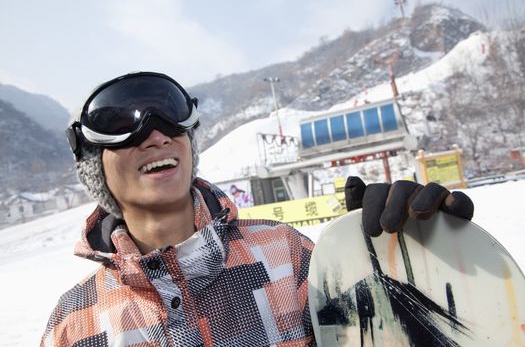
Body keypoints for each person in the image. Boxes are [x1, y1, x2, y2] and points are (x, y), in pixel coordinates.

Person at [41, 72, 474, 346]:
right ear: (92, 165)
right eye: (121, 128)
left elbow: (383, 336)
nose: (156, 136)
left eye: (171, 120)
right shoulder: (74, 324)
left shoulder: (288, 256)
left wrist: (411, 267)